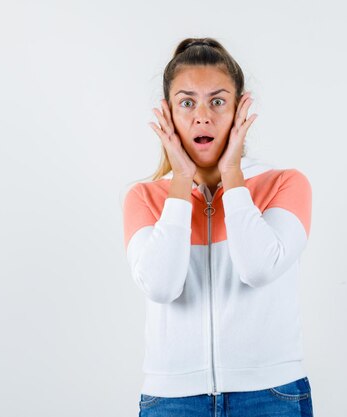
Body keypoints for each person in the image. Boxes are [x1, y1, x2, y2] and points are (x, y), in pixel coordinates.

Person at [122, 37, 314, 417]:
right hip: (171, 400)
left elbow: (258, 269)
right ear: (168, 114)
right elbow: (161, 286)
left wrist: (231, 176)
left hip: (271, 394)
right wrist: (180, 181)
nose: (202, 116)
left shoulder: (285, 184)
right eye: (187, 102)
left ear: (241, 109)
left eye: (218, 101)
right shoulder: (144, 197)